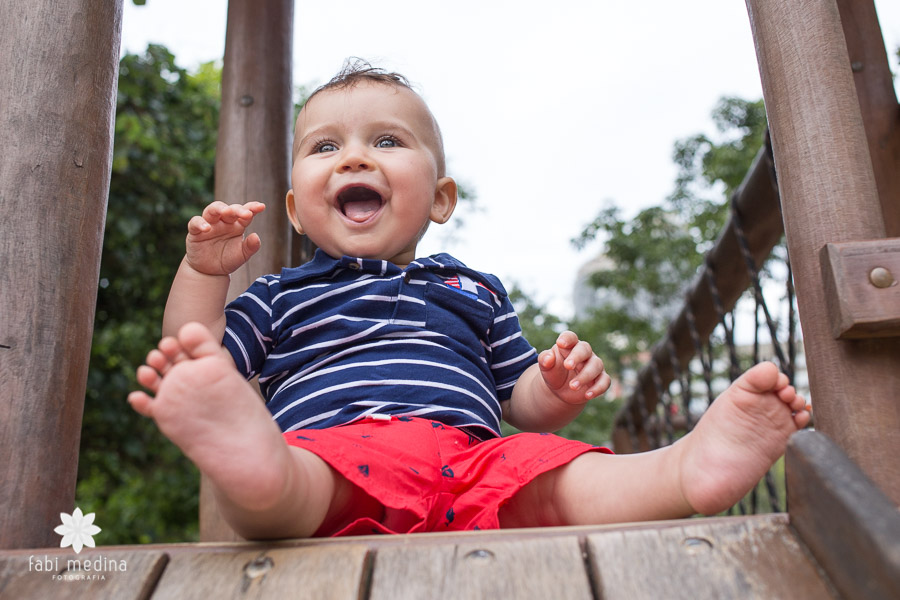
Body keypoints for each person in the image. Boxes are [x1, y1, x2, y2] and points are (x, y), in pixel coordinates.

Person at [128, 61, 811, 540]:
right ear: (297, 213)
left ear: (441, 198)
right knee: (288, 490)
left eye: (386, 141)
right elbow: (198, 348)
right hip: (331, 457)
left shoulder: (472, 290)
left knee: (555, 474)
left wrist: (555, 388)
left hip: (473, 462)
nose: (353, 158)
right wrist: (204, 273)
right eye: (326, 146)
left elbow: (516, 398)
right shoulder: (281, 295)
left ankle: (684, 470)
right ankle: (252, 464)